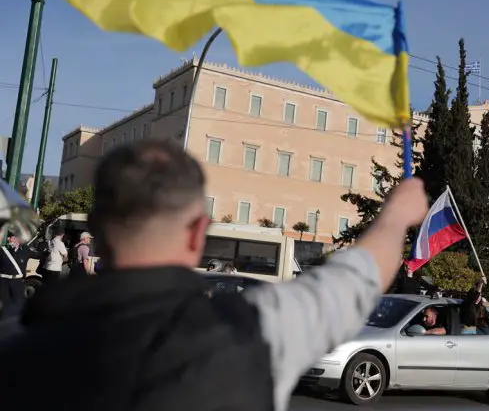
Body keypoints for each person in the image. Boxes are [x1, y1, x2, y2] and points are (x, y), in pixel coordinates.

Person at [0, 140, 428, 411]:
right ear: (197, 233)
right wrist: (396, 216)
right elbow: (357, 277)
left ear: (95, 226)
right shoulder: (259, 328)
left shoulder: (14, 342)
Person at [0, 232, 40, 319]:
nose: (10, 240)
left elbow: (37, 255)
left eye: (14, 237)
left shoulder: (25, 249)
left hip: (17, 281)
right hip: (4, 281)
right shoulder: (2, 250)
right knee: (4, 303)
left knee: (17, 303)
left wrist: (47, 252)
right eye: (10, 238)